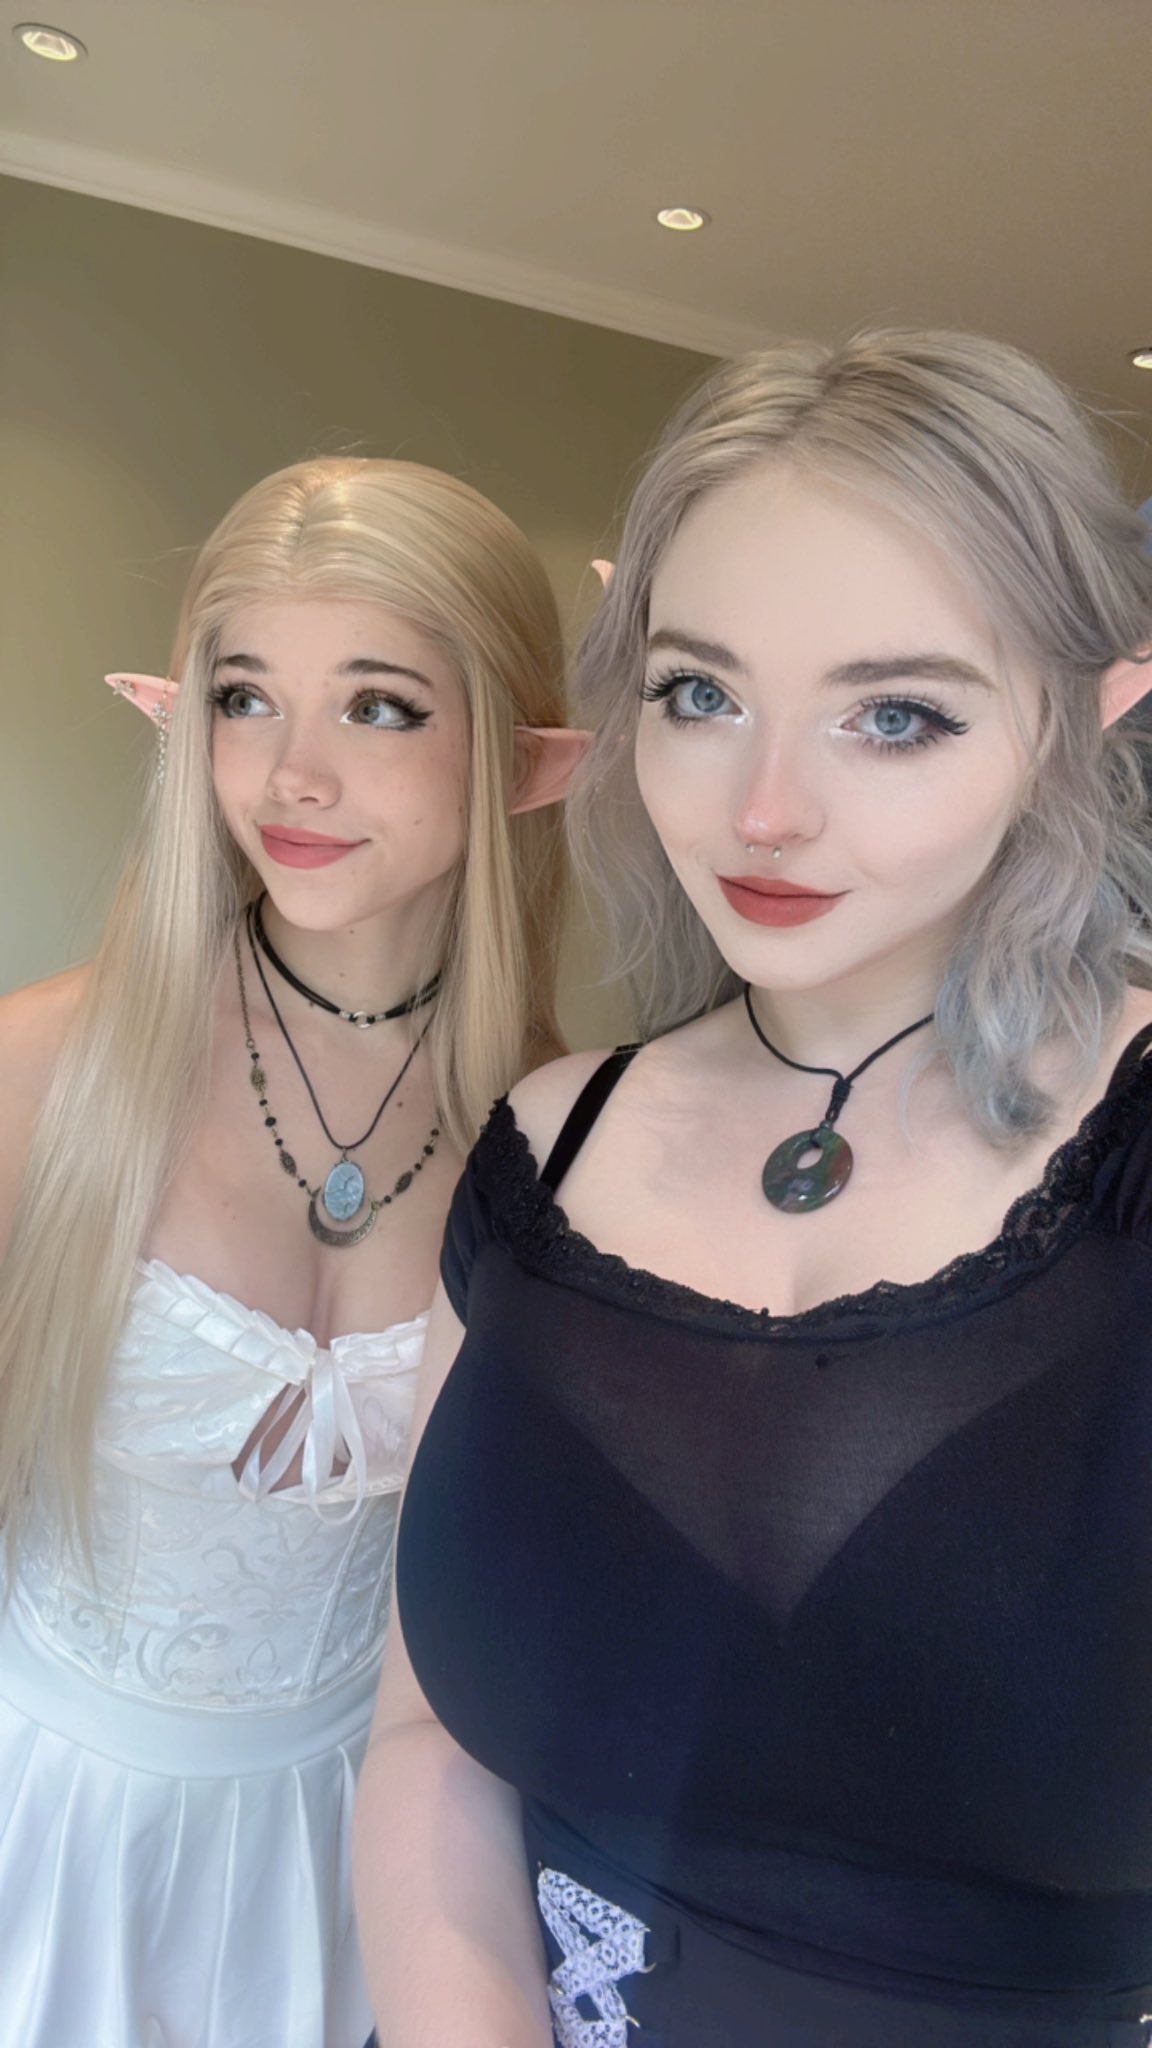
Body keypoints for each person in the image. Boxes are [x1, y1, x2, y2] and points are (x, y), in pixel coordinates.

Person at [355, 332, 1152, 2047]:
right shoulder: (546, 1144)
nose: (764, 810)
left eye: (896, 715)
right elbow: (428, 1739)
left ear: (1089, 713)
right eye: (701, 695)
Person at [0, 456, 586, 2048]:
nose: (291, 776)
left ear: (525, 761)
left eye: (379, 707)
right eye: (245, 698)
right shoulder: (46, 1071)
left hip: (363, 1871)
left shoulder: (561, 1149)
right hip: (42, 1835)